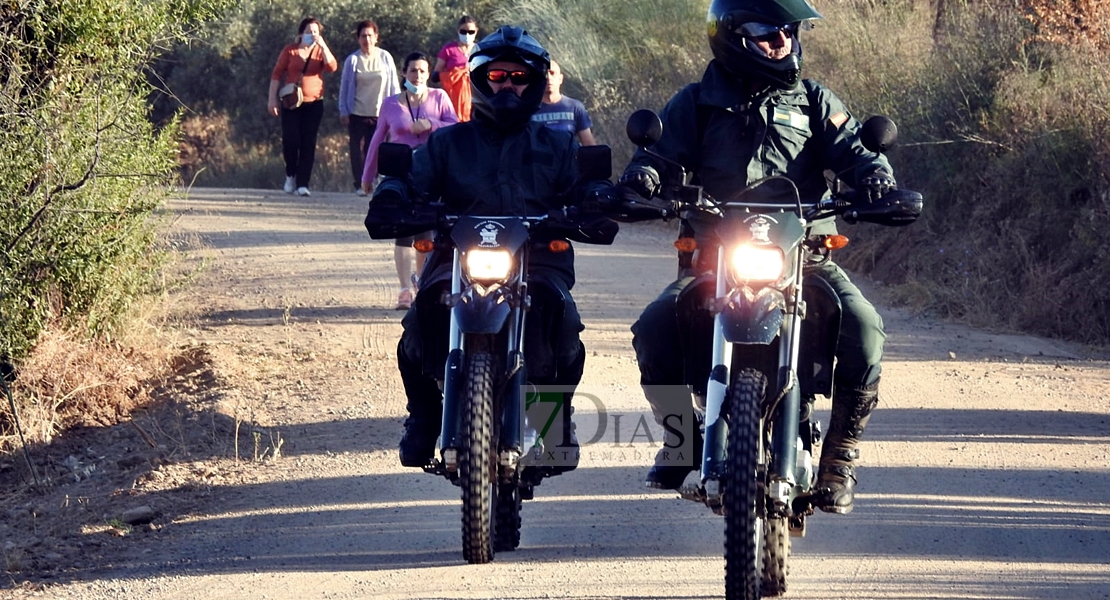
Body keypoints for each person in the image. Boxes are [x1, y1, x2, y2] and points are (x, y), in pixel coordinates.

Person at [618, 0, 897, 515]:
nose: (783, 42)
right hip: (714, 259)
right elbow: (658, 155)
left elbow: (856, 149)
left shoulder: (813, 100)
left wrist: (875, 176)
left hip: (805, 254)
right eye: (770, 33)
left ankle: (839, 457)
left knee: (865, 327)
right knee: (655, 327)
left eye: (789, 32)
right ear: (733, 36)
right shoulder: (697, 102)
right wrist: (645, 177)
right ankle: (682, 441)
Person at [367, 26, 615, 469]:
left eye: (518, 77)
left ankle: (555, 422)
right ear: (480, 78)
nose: (508, 86)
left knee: (565, 326)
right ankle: (423, 417)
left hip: (539, 258)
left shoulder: (557, 145)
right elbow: (410, 177)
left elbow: (585, 184)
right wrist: (394, 194)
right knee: (418, 323)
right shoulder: (447, 142)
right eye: (498, 76)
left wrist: (595, 199)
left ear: (536, 82)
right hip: (456, 257)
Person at [361, 51, 459, 310]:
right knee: (403, 232)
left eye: (423, 71)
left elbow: (455, 127)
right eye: (413, 70)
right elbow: (377, 141)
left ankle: (424, 284)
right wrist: (367, 176)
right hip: (399, 174)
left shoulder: (440, 98)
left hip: (431, 174)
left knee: (426, 231)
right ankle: (405, 289)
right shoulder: (391, 104)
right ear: (404, 72)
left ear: (429, 74)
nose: (418, 75)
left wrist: (430, 124)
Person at [268, 17, 338, 197]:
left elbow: (332, 67)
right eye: (309, 31)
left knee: (308, 142)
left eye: (315, 31)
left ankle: (303, 183)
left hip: (314, 103)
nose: (312, 34)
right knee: (291, 139)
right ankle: (290, 174)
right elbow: (277, 74)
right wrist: (271, 100)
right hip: (291, 102)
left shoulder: (319, 51)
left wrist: (323, 46)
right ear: (301, 33)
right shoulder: (289, 50)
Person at [338, 20, 400, 196]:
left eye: (370, 35)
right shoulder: (353, 60)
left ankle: (374, 181)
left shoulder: (385, 57)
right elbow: (345, 87)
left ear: (376, 37)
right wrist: (344, 110)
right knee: (356, 151)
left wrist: (396, 109)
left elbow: (394, 86)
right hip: (357, 112)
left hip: (380, 113)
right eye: (363, 36)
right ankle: (359, 184)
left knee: (377, 150)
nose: (367, 39)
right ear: (358, 38)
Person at [531, 59, 596, 145]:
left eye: (552, 73)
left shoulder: (575, 108)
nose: (549, 78)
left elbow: (589, 146)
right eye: (544, 74)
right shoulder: (529, 110)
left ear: (560, 79)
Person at [431, 15, 478, 122]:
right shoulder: (449, 49)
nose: (467, 34)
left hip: (476, 99)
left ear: (476, 31)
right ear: (458, 31)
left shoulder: (480, 50)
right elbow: (435, 76)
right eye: (463, 31)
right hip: (453, 99)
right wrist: (457, 74)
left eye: (471, 32)